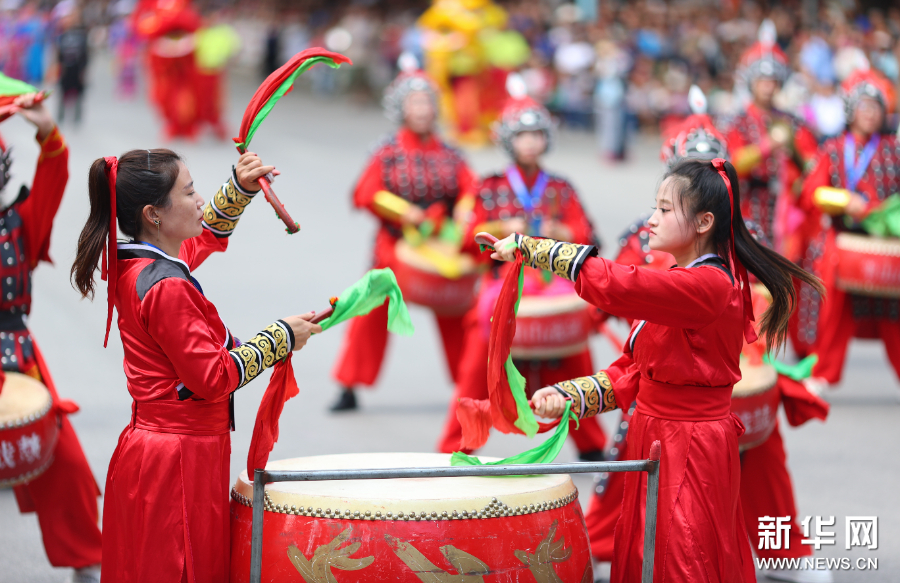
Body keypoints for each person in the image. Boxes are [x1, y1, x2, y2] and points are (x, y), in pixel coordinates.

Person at [489, 157, 821, 582]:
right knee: (648, 556)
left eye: (665, 210)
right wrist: (569, 396)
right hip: (658, 438)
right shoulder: (686, 281)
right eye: (655, 208)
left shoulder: (709, 285)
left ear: (704, 222)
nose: (651, 220)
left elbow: (622, 284)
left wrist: (534, 249)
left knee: (684, 561)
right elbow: (636, 373)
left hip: (690, 445)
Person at [585, 91, 833, 583]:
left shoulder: (733, 240)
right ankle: (600, 543)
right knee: (636, 472)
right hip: (660, 373)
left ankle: (784, 552)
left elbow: (759, 297)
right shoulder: (645, 235)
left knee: (761, 461)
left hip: (728, 372)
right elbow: (613, 299)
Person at [70, 149, 321, 582]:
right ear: (153, 214)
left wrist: (238, 190)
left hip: (161, 450)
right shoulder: (166, 286)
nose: (200, 200)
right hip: (177, 461)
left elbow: (199, 239)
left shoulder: (138, 262)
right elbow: (213, 377)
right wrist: (280, 337)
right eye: (189, 193)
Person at [436, 81, 607, 458]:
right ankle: (455, 445)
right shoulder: (488, 186)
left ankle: (592, 444)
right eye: (521, 135)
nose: (530, 142)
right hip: (502, 285)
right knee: (478, 363)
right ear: (508, 140)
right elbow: (466, 241)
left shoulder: (561, 187)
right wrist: (502, 228)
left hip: (553, 287)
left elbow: (589, 240)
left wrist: (562, 233)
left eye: (536, 134)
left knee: (574, 353)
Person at [329, 62, 477, 411]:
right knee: (370, 310)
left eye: (427, 102)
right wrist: (403, 212)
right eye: (415, 103)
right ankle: (349, 385)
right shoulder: (387, 152)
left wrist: (463, 210)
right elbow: (365, 193)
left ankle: (471, 385)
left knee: (459, 312)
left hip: (441, 245)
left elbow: (472, 188)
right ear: (401, 108)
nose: (422, 110)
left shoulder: (451, 153)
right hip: (395, 245)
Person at [1, 93, 102, 583]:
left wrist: (45, 130)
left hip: (16, 357)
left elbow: (55, 174)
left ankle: (87, 559)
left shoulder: (18, 223)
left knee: (64, 461)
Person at [800, 70, 900, 390]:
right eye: (864, 106)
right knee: (833, 309)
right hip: (841, 239)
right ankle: (823, 373)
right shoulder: (833, 148)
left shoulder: (893, 149)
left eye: (876, 107)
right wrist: (844, 201)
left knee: (895, 314)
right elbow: (810, 193)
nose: (870, 114)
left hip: (884, 244)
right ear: (851, 110)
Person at [55, 8, 89, 124]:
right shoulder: (62, 36)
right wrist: (58, 68)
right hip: (65, 69)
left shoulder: (81, 35)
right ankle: (61, 116)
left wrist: (83, 70)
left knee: (78, 93)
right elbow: (59, 54)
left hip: (77, 68)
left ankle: (77, 117)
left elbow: (85, 54)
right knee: (63, 92)